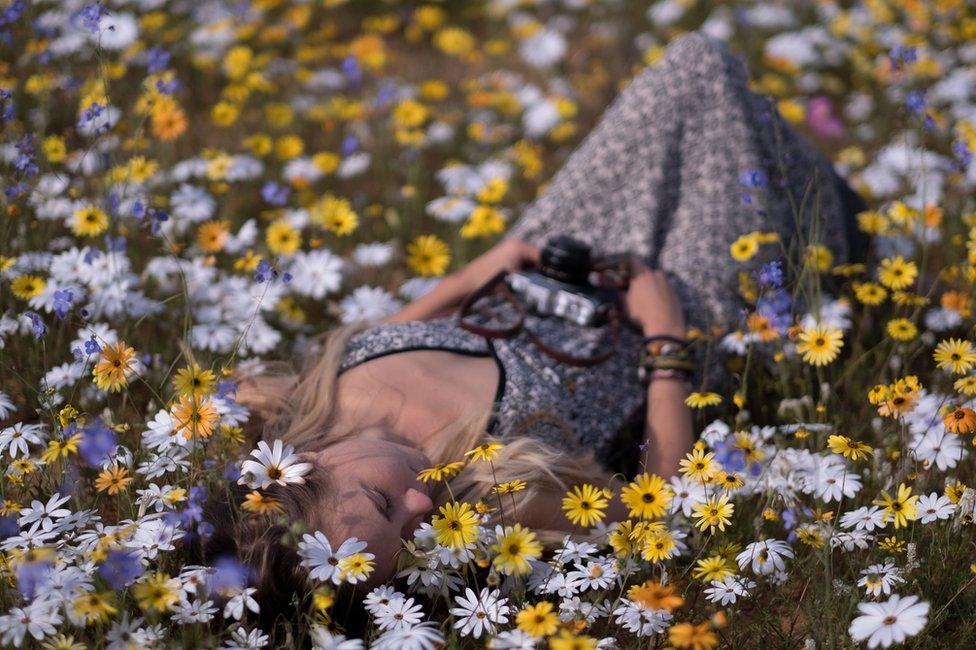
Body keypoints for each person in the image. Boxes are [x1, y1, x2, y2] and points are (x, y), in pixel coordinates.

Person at [202, 32, 865, 628]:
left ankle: (827, 209)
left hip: (557, 269)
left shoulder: (311, 401)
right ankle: (842, 223)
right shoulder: (490, 494)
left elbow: (379, 341)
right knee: (711, 79)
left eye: (381, 501)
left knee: (691, 72)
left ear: (301, 466)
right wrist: (668, 347)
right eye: (409, 545)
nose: (418, 509)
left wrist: (469, 278)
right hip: (679, 314)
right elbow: (651, 517)